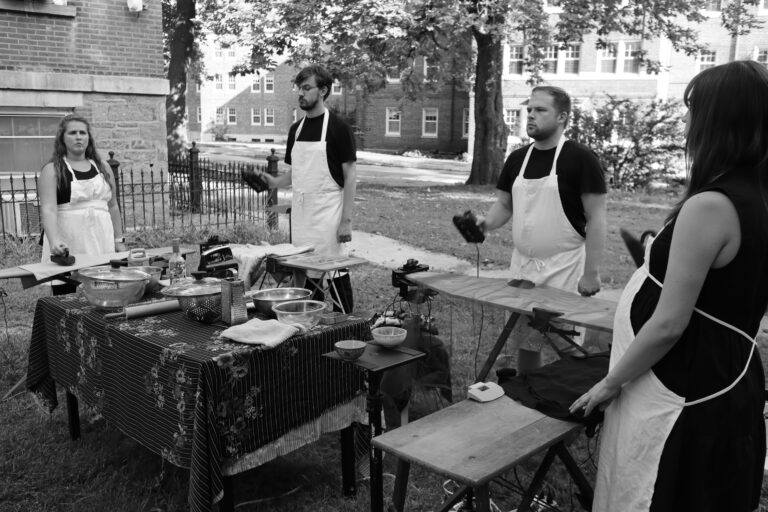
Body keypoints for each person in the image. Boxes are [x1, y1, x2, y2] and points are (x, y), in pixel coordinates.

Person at [570, 60, 768, 512]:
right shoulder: (756, 193)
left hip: (683, 390)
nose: (685, 121)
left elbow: (669, 324)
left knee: (655, 494)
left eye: (692, 109)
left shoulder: (713, 205)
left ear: (720, 120)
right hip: (718, 378)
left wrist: (608, 385)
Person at [478, 85, 608, 369]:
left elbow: (597, 218)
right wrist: (485, 224)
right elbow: (505, 205)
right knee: (527, 341)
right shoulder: (517, 159)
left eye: (540, 110)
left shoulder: (581, 159)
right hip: (522, 268)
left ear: (562, 117)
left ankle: (572, 398)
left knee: (567, 343)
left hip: (565, 269)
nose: (531, 116)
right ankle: (529, 394)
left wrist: (592, 274)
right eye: (529, 110)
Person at [257, 64, 357, 312]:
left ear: (322, 91)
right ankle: (308, 326)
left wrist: (346, 220)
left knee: (335, 274)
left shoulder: (339, 128)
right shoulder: (296, 130)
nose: (300, 93)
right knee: (303, 275)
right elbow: (297, 173)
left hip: (329, 216)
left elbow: (350, 176)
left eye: (306, 87)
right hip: (302, 217)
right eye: (298, 88)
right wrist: (275, 182)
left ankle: (347, 325)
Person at [39, 114, 125, 293]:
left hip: (101, 237)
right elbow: (48, 209)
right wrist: (55, 241)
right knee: (67, 294)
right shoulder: (52, 170)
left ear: (89, 137)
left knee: (104, 287)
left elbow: (113, 205)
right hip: (69, 240)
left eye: (82, 132)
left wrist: (119, 240)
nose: (78, 137)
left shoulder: (103, 167)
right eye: (72, 133)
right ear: (62, 138)